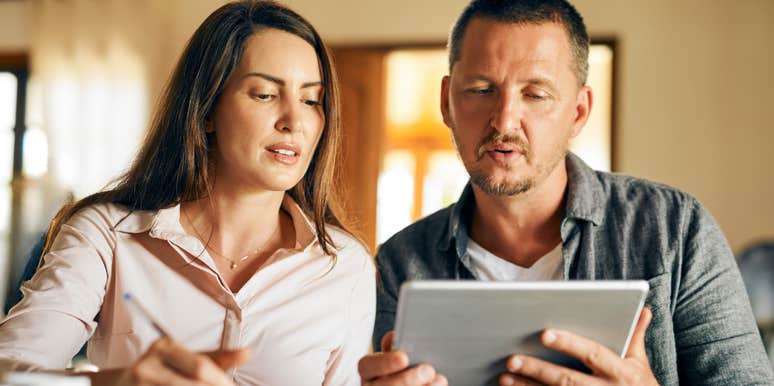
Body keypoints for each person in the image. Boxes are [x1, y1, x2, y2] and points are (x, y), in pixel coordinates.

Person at [358, 0, 774, 385]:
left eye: (535, 94)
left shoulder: (676, 228)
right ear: (447, 103)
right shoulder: (399, 262)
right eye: (482, 90)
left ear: (578, 112)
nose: (504, 120)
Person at [0, 1, 375, 385]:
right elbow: (10, 371)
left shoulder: (346, 267)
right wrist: (115, 382)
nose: (295, 121)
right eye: (264, 94)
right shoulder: (107, 235)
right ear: (206, 110)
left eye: (312, 100)